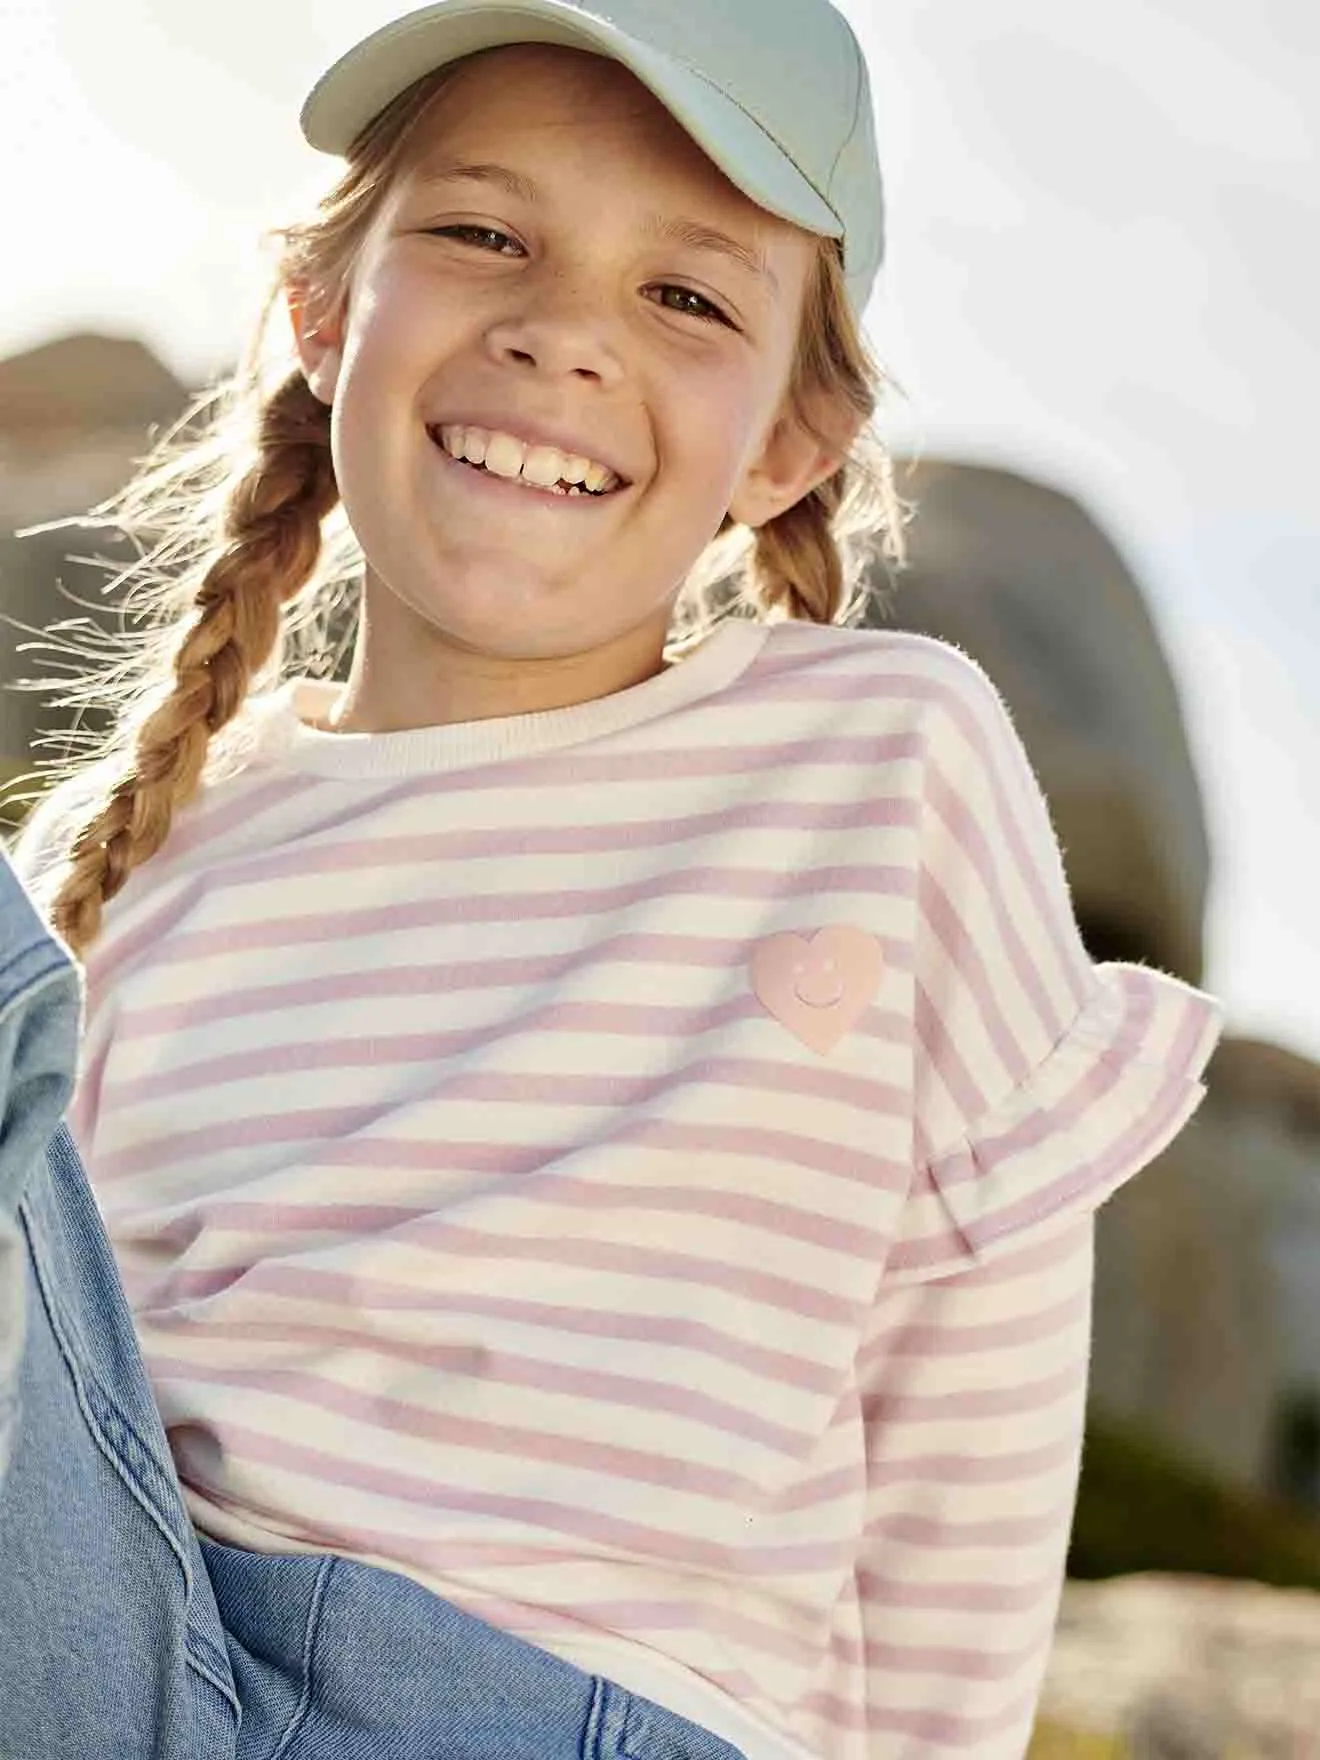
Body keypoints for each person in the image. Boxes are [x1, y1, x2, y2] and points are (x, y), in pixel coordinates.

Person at [0, 1, 1225, 1756]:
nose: (563, 334)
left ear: (789, 444)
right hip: (127, 1656)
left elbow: (975, 1428)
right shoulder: (143, 852)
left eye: (688, 296)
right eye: (485, 233)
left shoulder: (881, 767)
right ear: (327, 317)